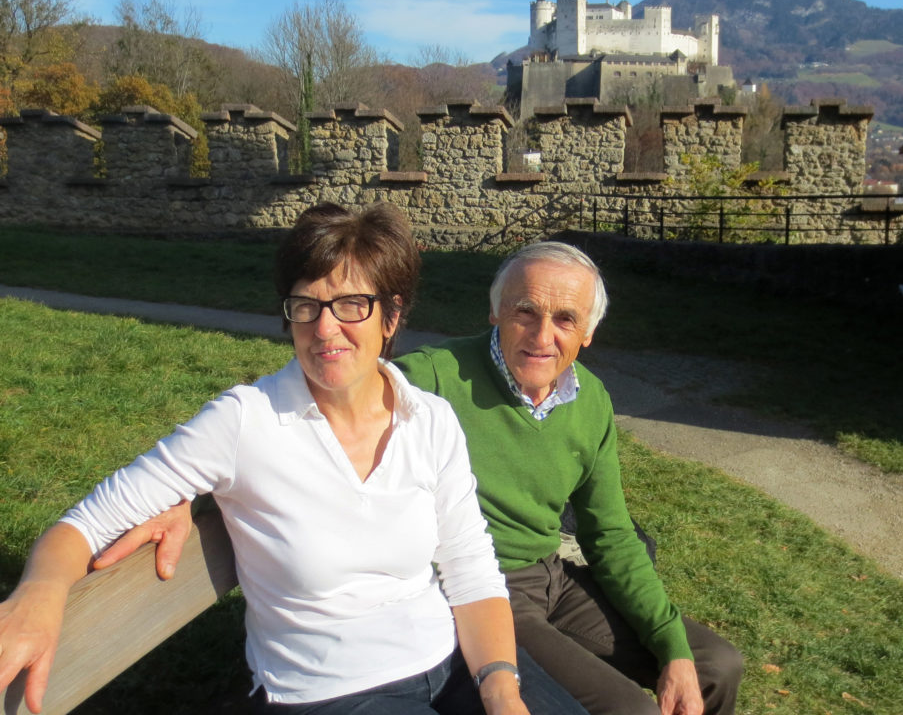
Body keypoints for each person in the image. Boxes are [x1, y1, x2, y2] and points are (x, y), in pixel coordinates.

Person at [101, 240, 743, 715]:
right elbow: (335, 389)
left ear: (589, 332)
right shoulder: (435, 378)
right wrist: (189, 491)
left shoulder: (592, 401)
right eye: (525, 311)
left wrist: (671, 645)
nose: (542, 335)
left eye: (565, 320)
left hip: (553, 574)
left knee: (715, 667)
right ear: (496, 312)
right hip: (488, 593)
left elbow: (612, 535)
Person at [0, 204, 587, 715]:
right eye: (305, 306)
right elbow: (82, 524)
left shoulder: (429, 419)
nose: (325, 328)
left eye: (351, 304)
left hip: (455, 658)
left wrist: (501, 689)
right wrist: (38, 592)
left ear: (392, 316)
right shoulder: (244, 421)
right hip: (331, 689)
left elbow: (470, 570)